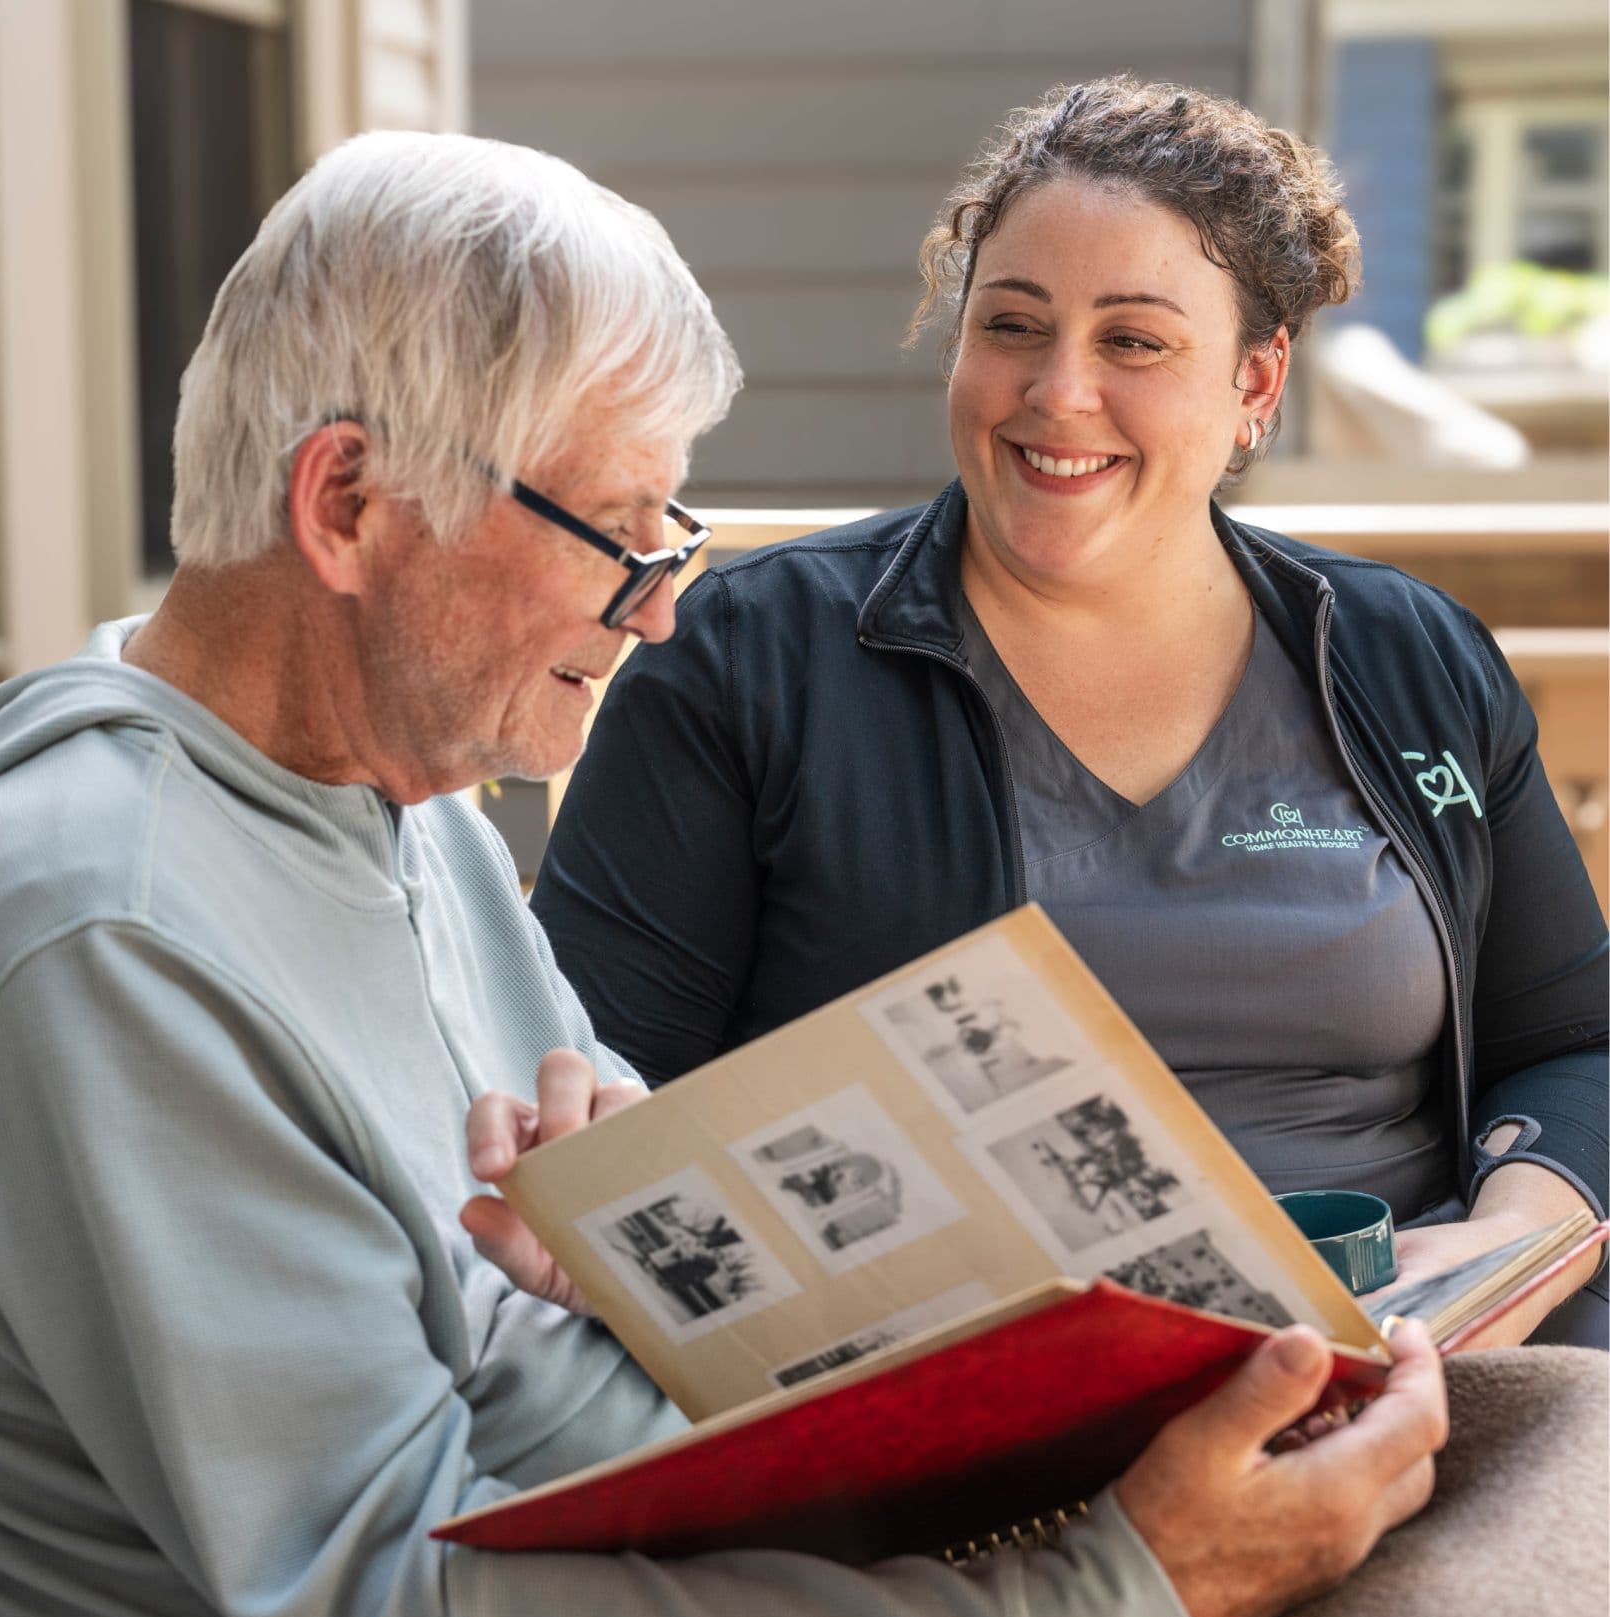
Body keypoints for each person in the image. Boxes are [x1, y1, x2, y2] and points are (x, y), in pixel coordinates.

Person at [0, 125, 1532, 1617]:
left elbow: (526, 1314)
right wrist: (1104, 1600)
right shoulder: (106, 928)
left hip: (686, 1598)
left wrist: (630, 1222)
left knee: (1546, 1486)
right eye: (614, 528)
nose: (668, 597)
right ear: (349, 506)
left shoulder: (393, 786)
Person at [530, 76, 1609, 1345]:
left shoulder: (1405, 656)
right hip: (963, 1406)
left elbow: (1572, 1037)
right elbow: (609, 1082)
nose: (1056, 391)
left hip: (1421, 1368)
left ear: (1256, 382)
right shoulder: (750, 659)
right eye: (1013, 326)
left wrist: (1510, 1239)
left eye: (1134, 342)